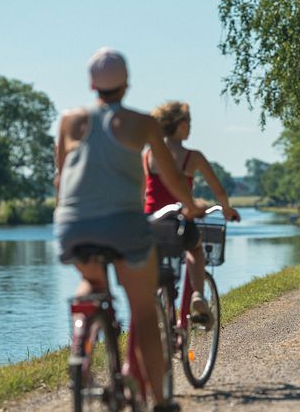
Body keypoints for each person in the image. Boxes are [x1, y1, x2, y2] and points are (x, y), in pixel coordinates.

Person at [53, 47, 203, 411]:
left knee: (92, 282)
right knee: (144, 310)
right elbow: (170, 174)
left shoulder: (69, 121)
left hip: (73, 226)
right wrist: (190, 204)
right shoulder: (143, 124)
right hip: (124, 226)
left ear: (91, 84)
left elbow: (60, 179)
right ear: (127, 84)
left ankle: (84, 338)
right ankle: (161, 401)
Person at [143, 100, 241, 324]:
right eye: (189, 122)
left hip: (151, 225)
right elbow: (219, 190)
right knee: (195, 249)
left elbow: (143, 194)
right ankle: (197, 295)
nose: (191, 127)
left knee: (154, 268)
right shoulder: (192, 156)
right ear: (179, 125)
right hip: (179, 221)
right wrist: (226, 209)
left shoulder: (148, 156)